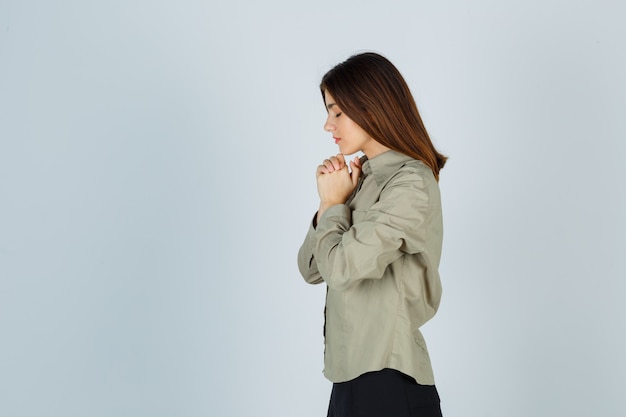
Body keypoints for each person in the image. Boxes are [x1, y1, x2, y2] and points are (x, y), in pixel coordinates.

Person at [297, 52, 447, 417]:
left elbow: (341, 269)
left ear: (371, 107)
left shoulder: (410, 183)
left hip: (389, 381)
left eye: (337, 112)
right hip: (350, 379)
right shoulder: (360, 182)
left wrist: (334, 205)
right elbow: (311, 268)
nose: (327, 126)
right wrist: (330, 203)